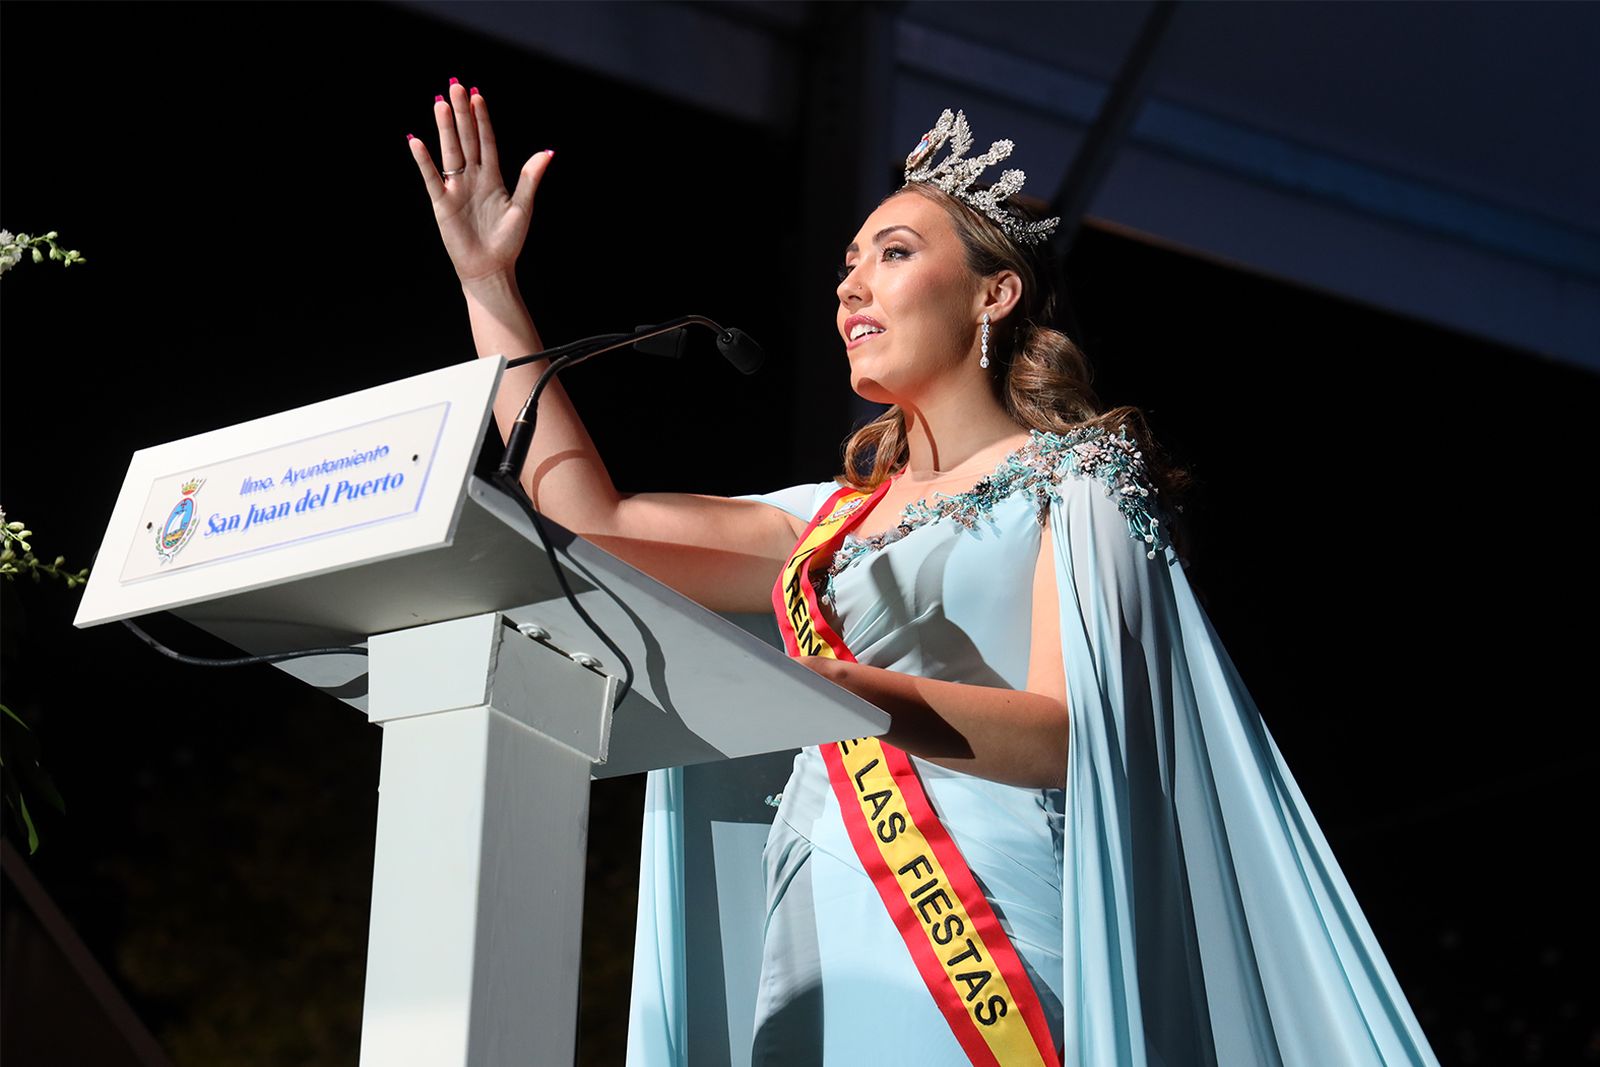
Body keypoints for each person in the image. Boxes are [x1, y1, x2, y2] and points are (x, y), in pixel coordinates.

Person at [409, 84, 1439, 1066]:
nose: (851, 282)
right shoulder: (820, 520)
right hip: (815, 925)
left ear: (994, 291)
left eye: (893, 253)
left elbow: (1068, 733)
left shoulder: (1078, 479)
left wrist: (837, 692)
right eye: (848, 263)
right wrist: (490, 290)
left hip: (986, 937)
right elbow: (591, 522)